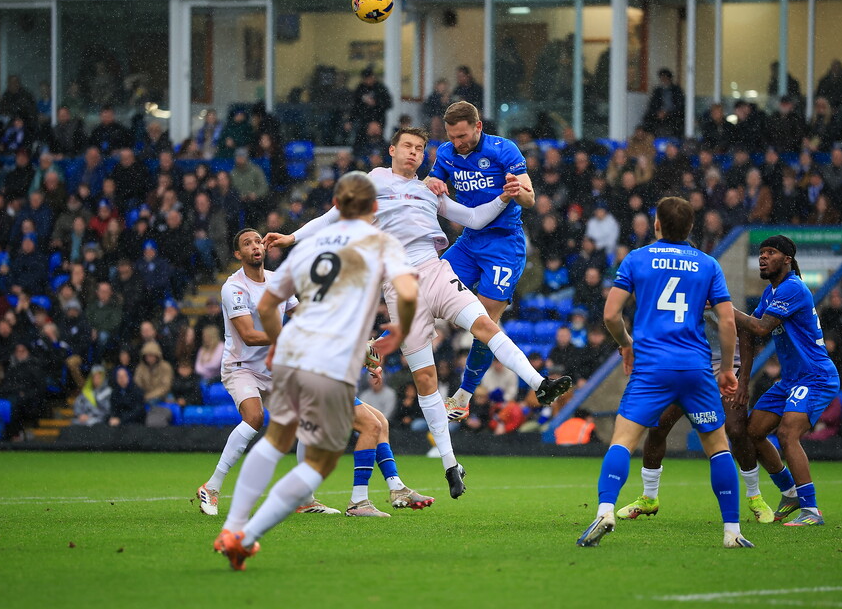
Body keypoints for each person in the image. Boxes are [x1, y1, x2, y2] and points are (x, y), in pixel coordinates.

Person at [266, 128, 571, 498]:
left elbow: (474, 219)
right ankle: (450, 464)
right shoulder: (373, 181)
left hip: (435, 271)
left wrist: (505, 197)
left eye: (421, 148)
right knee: (426, 379)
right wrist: (292, 237)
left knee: (485, 325)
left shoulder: (430, 189)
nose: (414, 152)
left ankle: (540, 384)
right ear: (392, 149)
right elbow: (333, 215)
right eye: (408, 146)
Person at [214, 171, 418, 571]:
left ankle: (236, 529)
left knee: (281, 440)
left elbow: (272, 305)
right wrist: (395, 333)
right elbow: (405, 294)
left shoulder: (312, 249)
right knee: (333, 450)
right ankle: (353, 502)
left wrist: (281, 343)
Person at [577, 196, 753, 549]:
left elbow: (610, 315)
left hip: (652, 367)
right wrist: (726, 368)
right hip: (695, 367)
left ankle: (605, 511)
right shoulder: (707, 264)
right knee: (718, 448)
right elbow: (726, 321)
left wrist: (626, 343)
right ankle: (732, 531)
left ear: (656, 224)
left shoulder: (637, 259)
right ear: (690, 228)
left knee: (623, 441)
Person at [422, 102, 543, 423]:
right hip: (469, 242)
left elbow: (530, 198)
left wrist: (517, 191)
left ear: (478, 127)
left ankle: (464, 395)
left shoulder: (504, 150)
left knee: (486, 322)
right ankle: (379, 347)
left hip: (503, 245)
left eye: (462, 136)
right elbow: (430, 183)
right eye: (452, 136)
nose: (457, 142)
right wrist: (432, 182)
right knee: (425, 290)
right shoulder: (446, 153)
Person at [616, 309, 775, 524]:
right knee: (658, 426)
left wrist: (744, 382)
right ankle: (649, 497)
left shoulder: (725, 305)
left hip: (727, 369)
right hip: (691, 369)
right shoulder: (682, 304)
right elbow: (662, 334)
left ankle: (755, 497)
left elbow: (747, 338)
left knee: (736, 430)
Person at [734, 235, 839, 527]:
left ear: (787, 260)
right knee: (753, 432)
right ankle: (790, 492)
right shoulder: (771, 292)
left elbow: (760, 327)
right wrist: (743, 380)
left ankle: (811, 510)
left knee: (787, 434)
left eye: (771, 252)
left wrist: (723, 307)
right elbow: (748, 330)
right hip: (791, 379)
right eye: (761, 252)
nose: (763, 257)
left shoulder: (792, 287)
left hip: (815, 376)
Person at [195, 227, 301, 517]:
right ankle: (212, 487)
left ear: (264, 248)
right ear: (238, 254)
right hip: (240, 366)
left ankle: (305, 498)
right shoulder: (233, 288)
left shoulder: (279, 281)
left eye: (258, 241)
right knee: (254, 417)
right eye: (247, 243)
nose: (255, 246)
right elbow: (249, 335)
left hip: (272, 366)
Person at [642, 68, 685, 138]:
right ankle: (650, 139)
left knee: (676, 120)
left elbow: (680, 105)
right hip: (659, 113)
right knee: (647, 118)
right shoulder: (657, 91)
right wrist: (657, 112)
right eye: (662, 78)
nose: (663, 80)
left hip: (673, 114)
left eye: (665, 78)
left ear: (669, 78)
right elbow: (652, 105)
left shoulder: (677, 90)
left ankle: (672, 139)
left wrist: (667, 112)